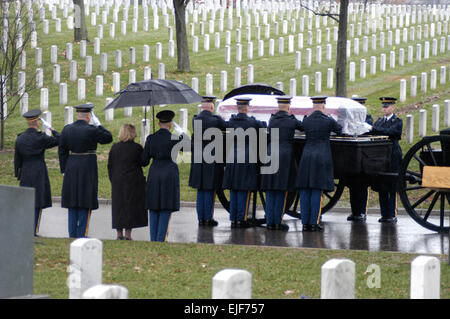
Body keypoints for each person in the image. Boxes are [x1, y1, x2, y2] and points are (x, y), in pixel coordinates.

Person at [58, 104, 113, 238]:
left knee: (73, 201)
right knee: (85, 200)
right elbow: (108, 138)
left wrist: (64, 168)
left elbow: (62, 150)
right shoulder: (92, 130)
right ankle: (82, 233)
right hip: (87, 166)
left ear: (78, 115)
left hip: (71, 165)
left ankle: (72, 234)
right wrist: (99, 124)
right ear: (89, 116)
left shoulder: (67, 129)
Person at [295, 96, 342, 232]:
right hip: (321, 157)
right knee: (316, 190)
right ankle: (314, 223)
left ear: (313, 106)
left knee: (305, 190)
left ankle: (305, 223)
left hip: (306, 156)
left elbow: (302, 128)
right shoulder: (328, 121)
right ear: (323, 106)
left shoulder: (307, 120)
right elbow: (339, 129)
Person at [142, 110, 187, 242]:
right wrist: (182, 133)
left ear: (158, 122)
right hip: (169, 173)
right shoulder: (174, 138)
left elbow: (144, 161)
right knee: (166, 206)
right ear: (171, 124)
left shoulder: (151, 138)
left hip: (155, 172)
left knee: (154, 206)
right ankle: (161, 239)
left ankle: (153, 239)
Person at [222, 97, 267, 228]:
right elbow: (263, 126)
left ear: (238, 108)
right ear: (247, 108)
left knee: (234, 188)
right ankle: (241, 218)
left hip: (232, 157)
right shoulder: (252, 122)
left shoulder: (231, 121)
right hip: (246, 158)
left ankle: (234, 218)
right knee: (243, 189)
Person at [14, 109, 60, 236]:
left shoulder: (20, 138)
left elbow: (17, 159)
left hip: (26, 172)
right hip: (39, 171)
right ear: (37, 122)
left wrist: (18, 174)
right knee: (37, 202)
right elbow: (59, 139)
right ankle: (33, 230)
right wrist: (51, 128)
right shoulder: (41, 138)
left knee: (27, 202)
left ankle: (26, 229)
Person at [261, 96, 303, 231]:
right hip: (284, 156)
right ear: (289, 107)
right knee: (280, 189)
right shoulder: (291, 120)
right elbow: (302, 127)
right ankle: (277, 221)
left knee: (270, 189)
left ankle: (270, 221)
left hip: (269, 154)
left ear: (278, 106)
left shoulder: (272, 119)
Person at [189, 96, 226, 227]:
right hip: (211, 159)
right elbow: (225, 126)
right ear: (211, 107)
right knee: (209, 189)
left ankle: (201, 218)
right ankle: (208, 218)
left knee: (201, 190)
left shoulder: (195, 120)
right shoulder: (215, 121)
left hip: (199, 159)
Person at [364, 97, 403, 223]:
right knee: (382, 185)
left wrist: (372, 129)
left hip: (392, 155)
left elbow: (391, 132)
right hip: (381, 156)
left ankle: (392, 214)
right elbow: (375, 133)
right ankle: (384, 214)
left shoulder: (397, 121)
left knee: (392, 185)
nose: (384, 109)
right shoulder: (379, 121)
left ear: (393, 107)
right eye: (383, 106)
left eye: (386, 106)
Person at [107, 124, 148, 240]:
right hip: (133, 181)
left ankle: (119, 234)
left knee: (118, 207)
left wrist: (113, 179)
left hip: (117, 180)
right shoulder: (137, 148)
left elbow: (110, 165)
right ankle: (128, 234)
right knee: (131, 207)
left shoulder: (114, 147)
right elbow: (144, 163)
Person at [346, 97, 373, 222]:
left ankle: (362, 212)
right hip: (351, 157)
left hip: (363, 157)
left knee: (362, 187)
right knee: (353, 187)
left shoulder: (368, 118)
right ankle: (354, 211)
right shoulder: (349, 119)